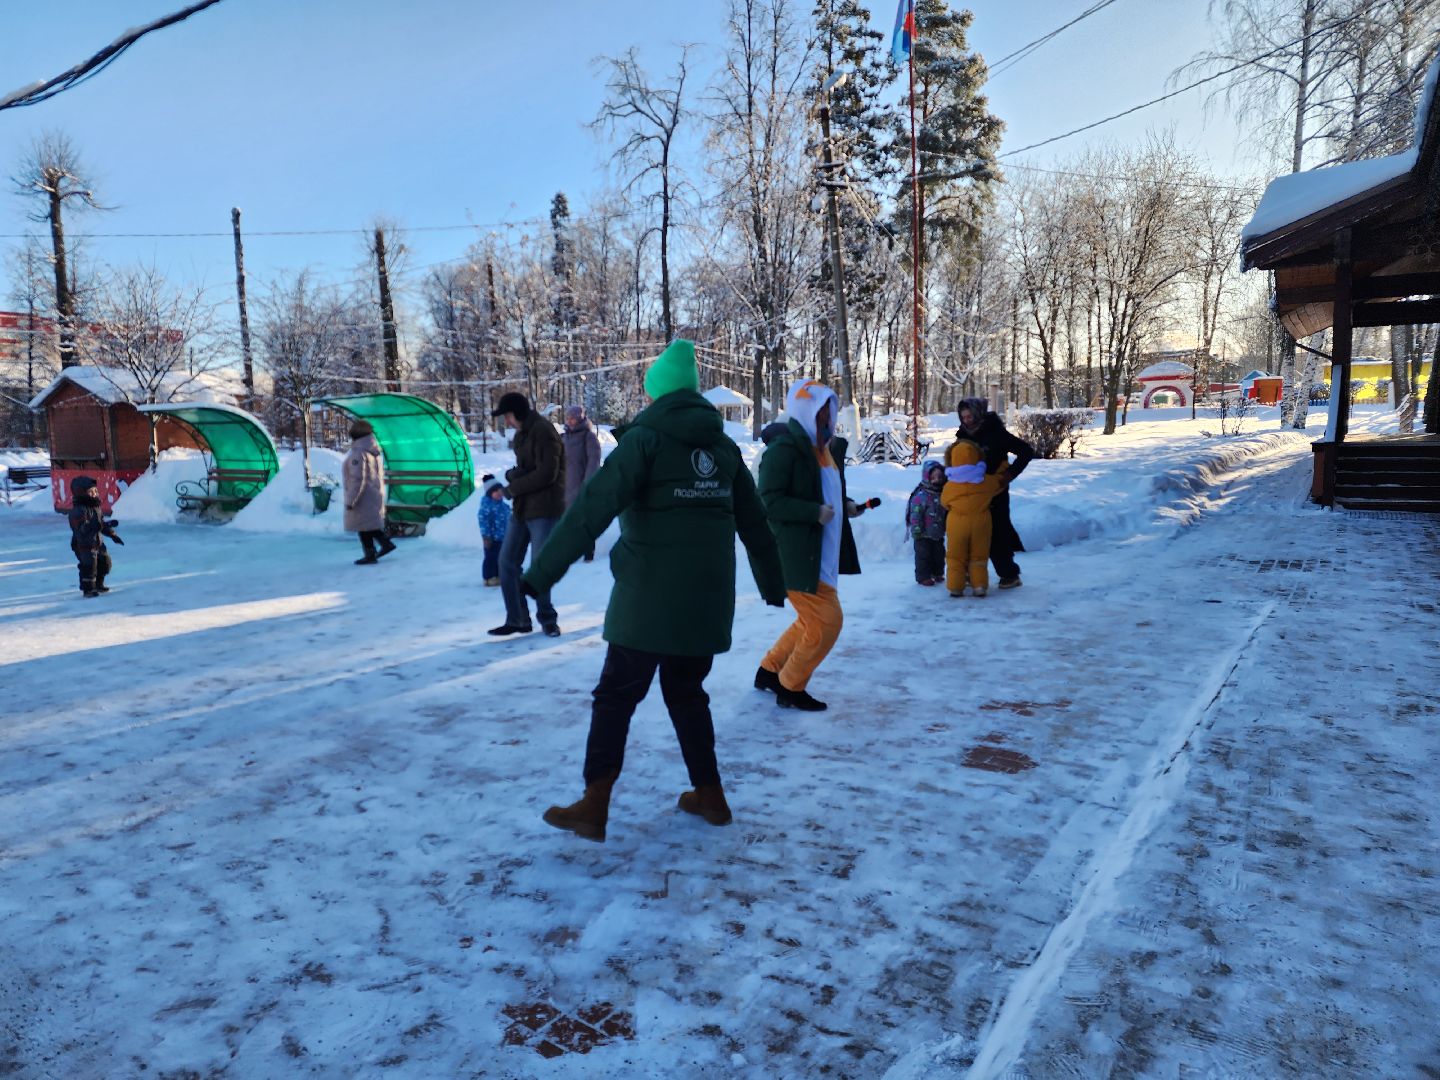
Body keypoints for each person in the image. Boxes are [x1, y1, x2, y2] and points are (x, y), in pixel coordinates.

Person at [524, 339, 786, 843]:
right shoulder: (724, 447)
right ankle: (710, 796)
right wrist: (773, 584)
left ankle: (594, 805)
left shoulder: (645, 441)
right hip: (706, 602)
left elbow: (591, 508)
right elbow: (756, 524)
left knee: (615, 697)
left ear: (657, 394)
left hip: (646, 599)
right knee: (688, 694)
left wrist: (542, 572)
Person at [754, 379, 868, 712]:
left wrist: (844, 505)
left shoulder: (821, 450)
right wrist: (812, 512)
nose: (827, 420)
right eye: (820, 414)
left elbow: (820, 490)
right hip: (796, 555)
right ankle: (790, 686)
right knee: (827, 622)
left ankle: (770, 670)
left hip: (821, 553)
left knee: (809, 621)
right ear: (804, 412)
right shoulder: (784, 450)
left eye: (828, 413)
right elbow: (769, 502)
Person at [490, 391, 566, 637]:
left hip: (544, 508)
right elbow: (527, 469)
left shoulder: (543, 431)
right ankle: (518, 619)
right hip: (523, 507)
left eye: (507, 415)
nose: (506, 421)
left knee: (539, 567)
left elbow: (547, 474)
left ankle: (548, 619)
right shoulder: (523, 434)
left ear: (516, 413)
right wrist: (514, 475)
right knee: (507, 561)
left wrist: (512, 487)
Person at [956, 397, 1034, 589]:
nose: (967, 420)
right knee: (968, 532)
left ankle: (1009, 574)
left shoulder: (995, 432)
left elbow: (1026, 451)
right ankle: (968, 573)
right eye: (963, 417)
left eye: (969, 416)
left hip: (995, 492)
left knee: (996, 533)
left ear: (978, 413)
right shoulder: (962, 436)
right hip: (971, 492)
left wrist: (1010, 474)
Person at [941, 438, 1002, 598]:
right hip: (981, 523)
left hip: (956, 524)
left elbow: (944, 503)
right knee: (979, 556)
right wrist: (1003, 467)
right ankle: (979, 586)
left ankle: (955, 587)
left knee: (955, 556)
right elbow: (999, 483)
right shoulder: (986, 481)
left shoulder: (950, 485)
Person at [343, 420, 395, 565]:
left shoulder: (358, 454)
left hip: (362, 497)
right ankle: (383, 545)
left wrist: (350, 500)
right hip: (373, 494)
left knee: (364, 526)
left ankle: (371, 553)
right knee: (368, 525)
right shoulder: (372, 450)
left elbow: (357, 479)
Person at [67, 476, 121, 597]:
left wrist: (113, 534)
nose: (95, 494)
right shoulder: (77, 511)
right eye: (91, 492)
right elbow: (83, 529)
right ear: (81, 494)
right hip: (83, 544)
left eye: (96, 491)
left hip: (97, 542)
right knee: (89, 567)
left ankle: (99, 584)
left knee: (105, 563)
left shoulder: (96, 507)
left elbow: (101, 524)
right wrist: (99, 525)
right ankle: (88, 589)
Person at [562, 404, 603, 561]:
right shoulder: (564, 437)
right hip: (565, 486)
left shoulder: (589, 437)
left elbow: (593, 462)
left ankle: (588, 551)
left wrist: (587, 485)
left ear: (580, 418)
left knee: (583, 520)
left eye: (573, 418)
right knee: (566, 521)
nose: (570, 421)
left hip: (581, 486)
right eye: (568, 418)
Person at [906, 459, 947, 586]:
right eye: (933, 477)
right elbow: (915, 514)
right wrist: (916, 529)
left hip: (938, 532)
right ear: (927, 477)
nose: (937, 480)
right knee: (923, 556)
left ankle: (938, 573)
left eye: (940, 477)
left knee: (939, 555)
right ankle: (923, 576)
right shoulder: (921, 495)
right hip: (922, 534)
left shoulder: (943, 494)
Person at [477, 474, 510, 587]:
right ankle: (488, 577)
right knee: (490, 558)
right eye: (495, 491)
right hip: (491, 539)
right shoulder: (486, 506)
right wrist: (486, 536)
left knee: (500, 558)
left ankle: (497, 576)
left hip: (502, 537)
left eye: (500, 491)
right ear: (489, 493)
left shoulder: (503, 506)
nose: (499, 493)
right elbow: (483, 522)